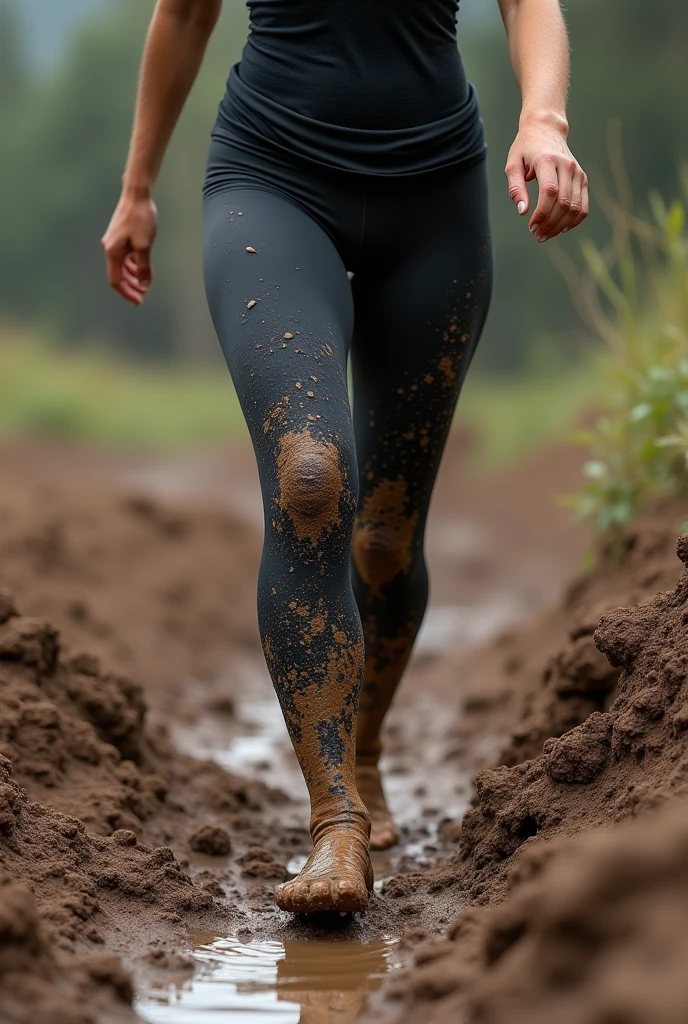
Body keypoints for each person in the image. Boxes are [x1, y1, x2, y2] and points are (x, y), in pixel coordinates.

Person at [102, 0, 588, 915]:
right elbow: (185, 11)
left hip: (435, 198)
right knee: (311, 477)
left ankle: (364, 753)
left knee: (386, 539)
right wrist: (137, 190)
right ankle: (335, 822)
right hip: (270, 183)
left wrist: (542, 118)